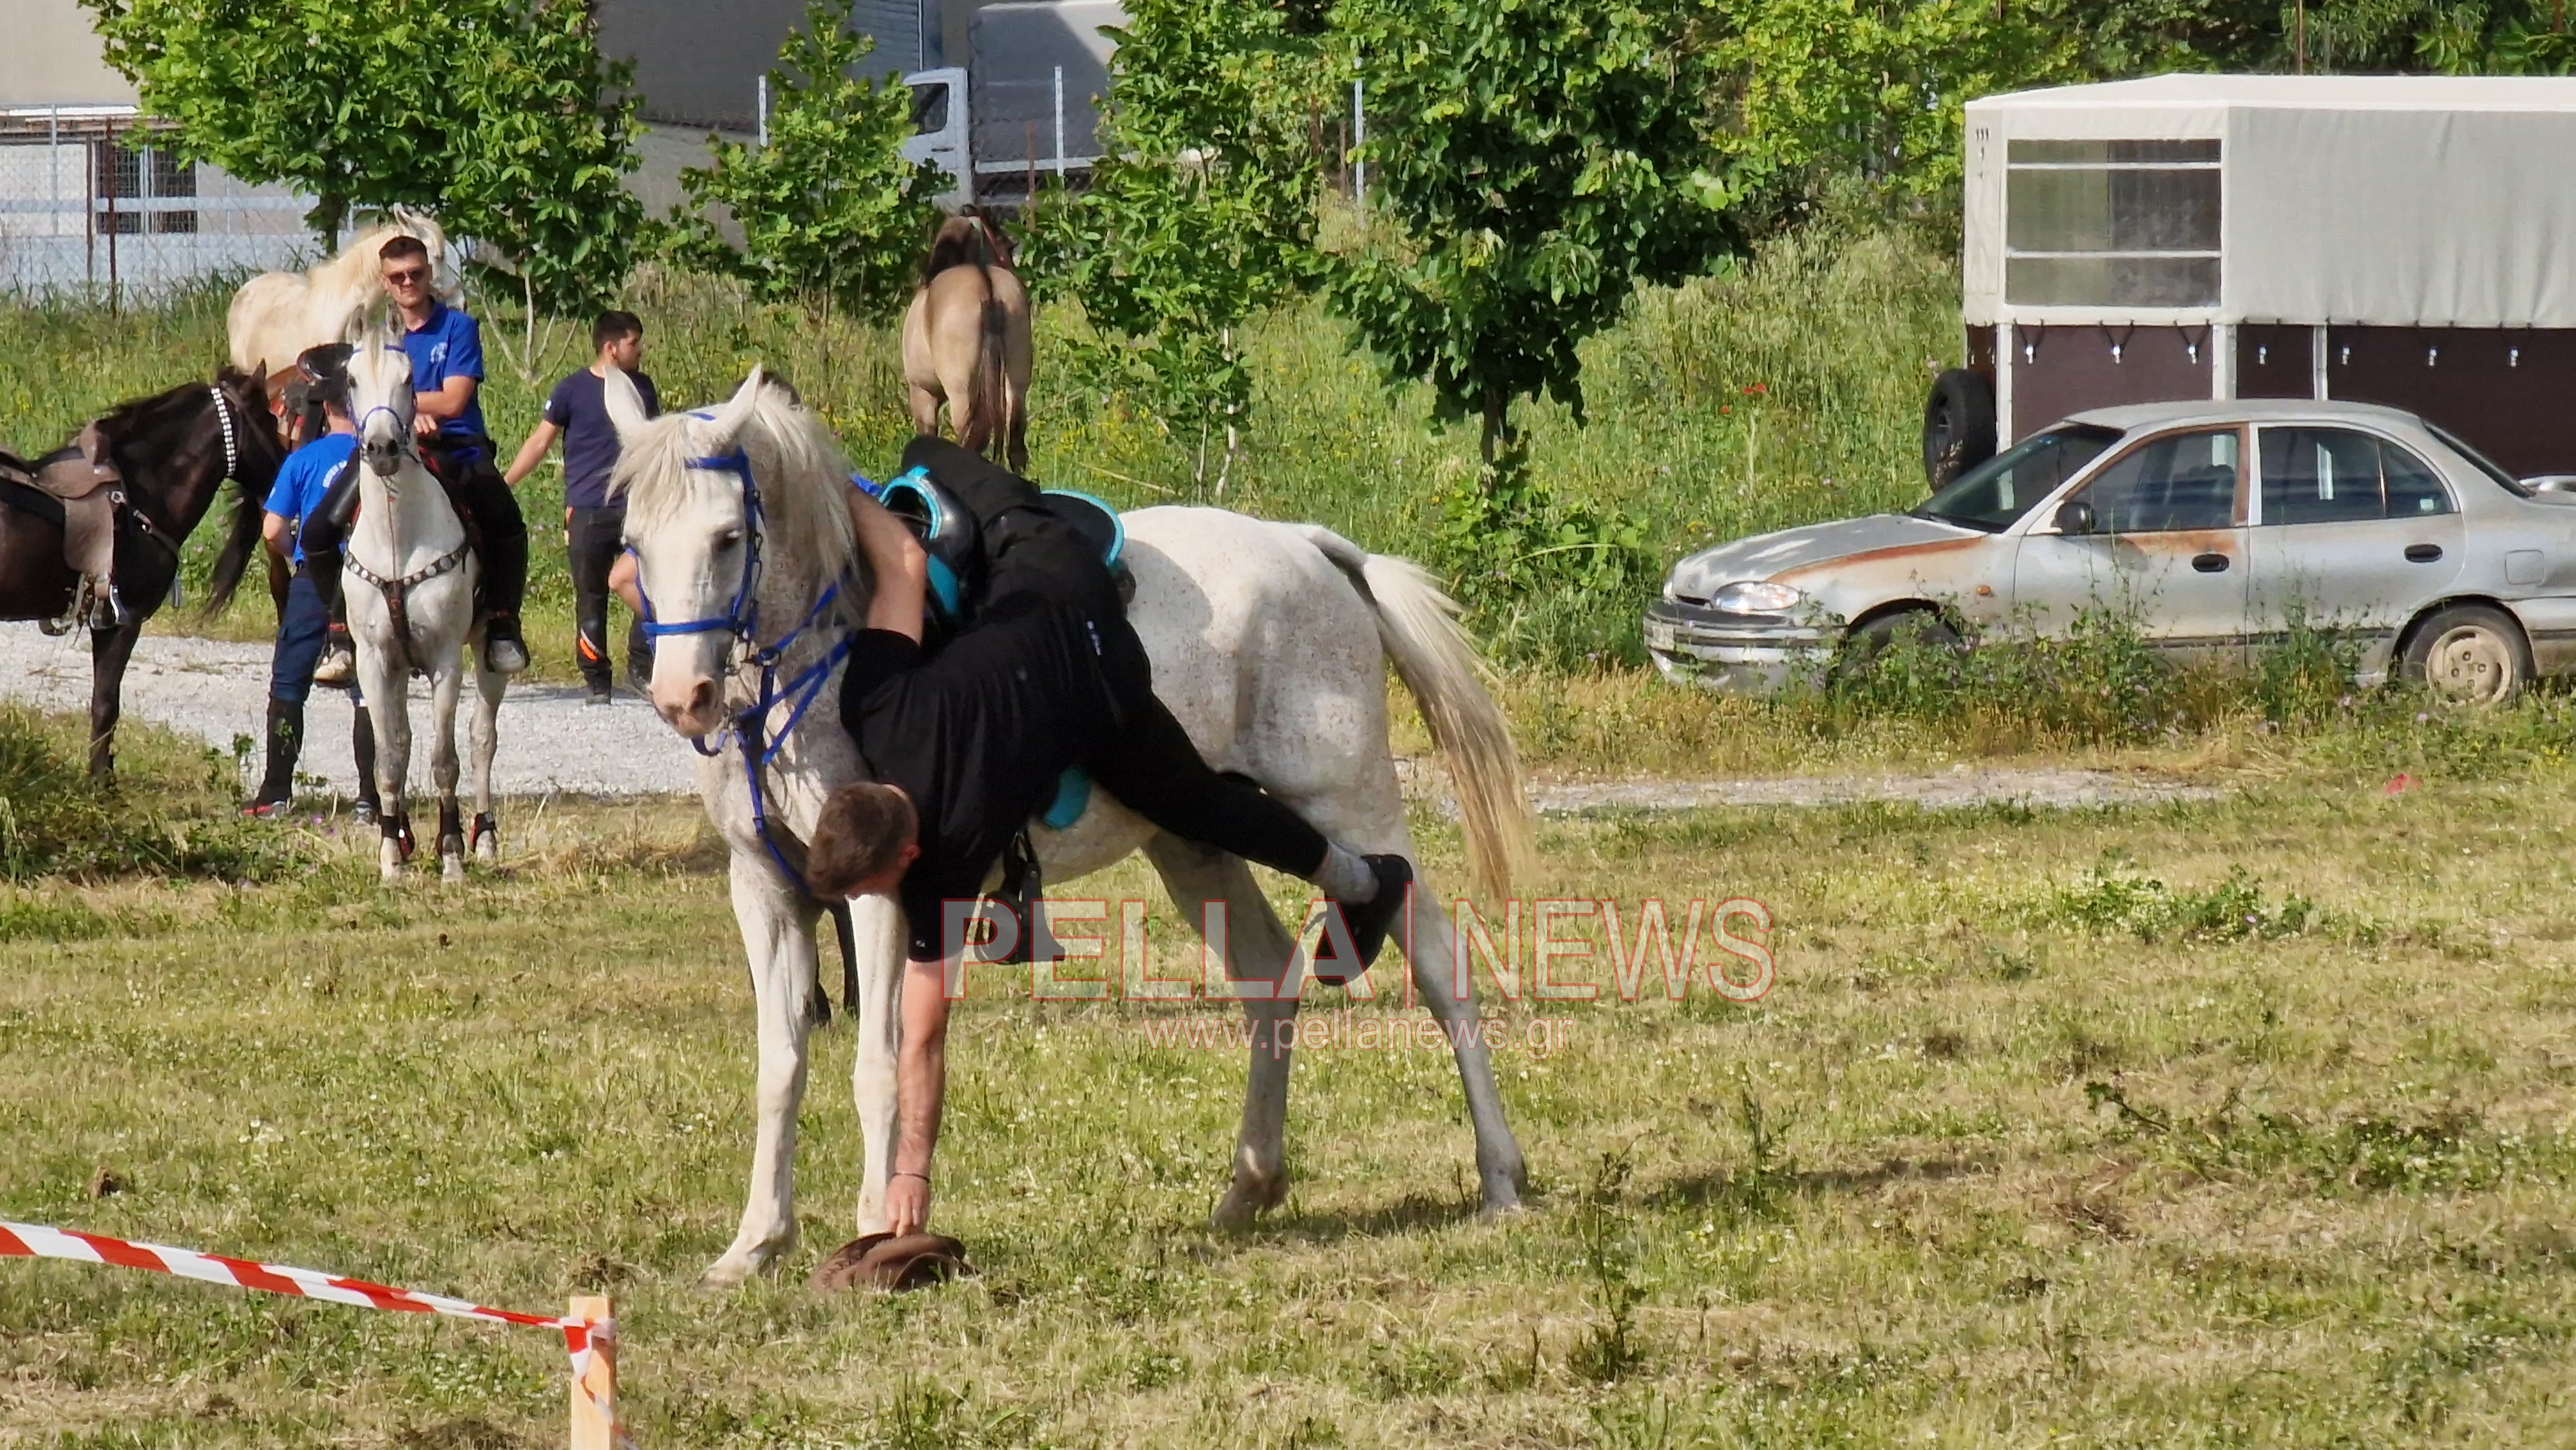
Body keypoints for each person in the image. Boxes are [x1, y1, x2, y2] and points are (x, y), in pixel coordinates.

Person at [799, 439, 1411, 1239]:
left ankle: (1366, 880)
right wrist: (836, 480)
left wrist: (911, 1169)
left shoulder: (944, 866)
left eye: (873, 887)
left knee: (1200, 802)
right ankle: (1361, 882)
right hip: (1048, 580)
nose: (879, 902)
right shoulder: (875, 706)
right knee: (926, 448)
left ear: (904, 857)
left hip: (1095, 658)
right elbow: (905, 559)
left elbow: (923, 1034)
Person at [302, 234, 531, 674]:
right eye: (397, 277)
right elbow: (357, 396)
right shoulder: (375, 339)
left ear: (429, 274)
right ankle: (340, 631)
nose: (408, 282)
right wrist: (397, 419)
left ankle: (502, 625)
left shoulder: (458, 328)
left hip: (453, 445)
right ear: (386, 284)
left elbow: (454, 400)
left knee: (505, 522)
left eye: (416, 274)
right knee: (316, 533)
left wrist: (409, 410)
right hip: (384, 448)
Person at [243, 347, 380, 822]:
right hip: (371, 583)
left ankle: (276, 793)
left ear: (324, 407)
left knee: (289, 683)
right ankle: (371, 798)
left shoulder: (304, 460)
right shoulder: (384, 458)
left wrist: (296, 557)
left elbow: (272, 530)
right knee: (369, 689)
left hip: (311, 584)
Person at [504, 310, 660, 704]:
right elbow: (541, 442)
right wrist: (504, 483)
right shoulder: (571, 389)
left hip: (636, 509)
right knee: (590, 596)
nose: (640, 350)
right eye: (634, 343)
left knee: (649, 585)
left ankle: (642, 669)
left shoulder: (643, 388)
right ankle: (597, 681)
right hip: (588, 510)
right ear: (611, 348)